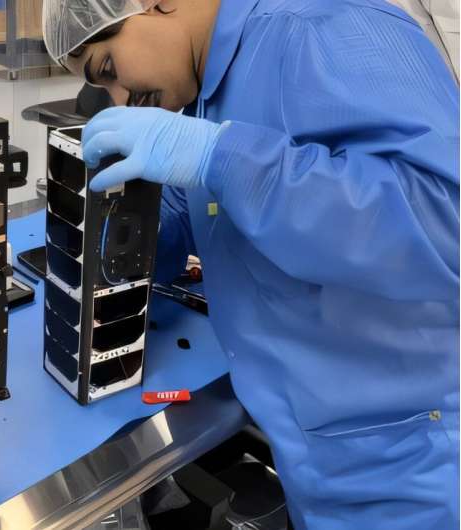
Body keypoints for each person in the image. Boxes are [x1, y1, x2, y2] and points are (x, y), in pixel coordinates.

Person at [43, 1, 459, 528]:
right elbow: (210, 210)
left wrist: (225, 158)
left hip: (404, 460)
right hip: (312, 450)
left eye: (108, 70)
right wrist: (117, 235)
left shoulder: (324, 25)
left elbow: (444, 217)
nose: (118, 97)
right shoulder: (205, 82)